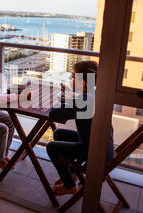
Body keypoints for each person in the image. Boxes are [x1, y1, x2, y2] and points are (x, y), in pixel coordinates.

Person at [46, 61, 114, 196]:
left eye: (73, 76)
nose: (71, 78)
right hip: (103, 146)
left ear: (82, 82)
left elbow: (54, 113)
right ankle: (73, 174)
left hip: (95, 154)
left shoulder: (84, 100)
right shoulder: (93, 94)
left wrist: (65, 101)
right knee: (59, 133)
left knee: (51, 147)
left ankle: (69, 185)